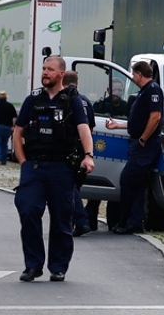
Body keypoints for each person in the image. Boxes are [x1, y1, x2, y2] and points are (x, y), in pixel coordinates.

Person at [13, 56, 95, 282]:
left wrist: (88, 156)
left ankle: (58, 266)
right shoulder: (33, 100)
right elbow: (18, 132)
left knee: (61, 218)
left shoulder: (71, 101)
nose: (45, 72)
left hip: (62, 167)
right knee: (28, 209)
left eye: (49, 69)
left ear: (61, 74)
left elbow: (84, 130)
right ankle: (33, 265)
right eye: (43, 69)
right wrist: (23, 162)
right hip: (35, 166)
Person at [106, 60, 163, 235]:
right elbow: (138, 122)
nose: (133, 77)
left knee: (128, 180)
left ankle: (129, 221)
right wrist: (119, 126)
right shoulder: (144, 92)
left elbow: (155, 117)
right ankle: (133, 221)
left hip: (144, 145)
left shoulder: (152, 90)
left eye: (133, 74)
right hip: (139, 143)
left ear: (139, 74)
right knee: (136, 184)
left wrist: (143, 139)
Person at [61, 71, 97, 236]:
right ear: (77, 82)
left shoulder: (64, 100)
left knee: (69, 186)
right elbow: (89, 128)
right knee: (74, 185)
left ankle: (81, 221)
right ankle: (77, 221)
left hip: (68, 148)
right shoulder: (85, 101)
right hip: (83, 149)